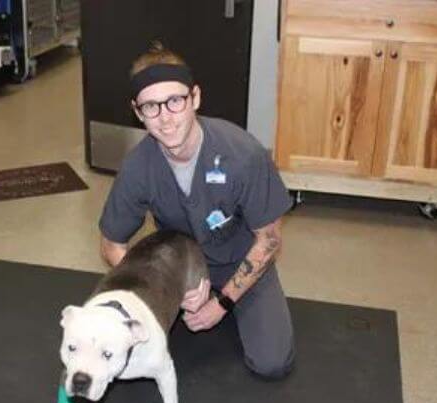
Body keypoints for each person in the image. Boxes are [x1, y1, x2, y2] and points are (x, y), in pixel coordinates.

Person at [98, 42, 295, 379]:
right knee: (122, 356)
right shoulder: (137, 166)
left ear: (195, 98)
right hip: (176, 265)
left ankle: (237, 303)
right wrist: (163, 284)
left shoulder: (243, 155)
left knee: (272, 363)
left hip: (239, 257)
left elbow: (270, 240)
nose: (165, 118)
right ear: (137, 111)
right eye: (151, 106)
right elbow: (111, 244)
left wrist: (223, 303)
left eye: (175, 101)